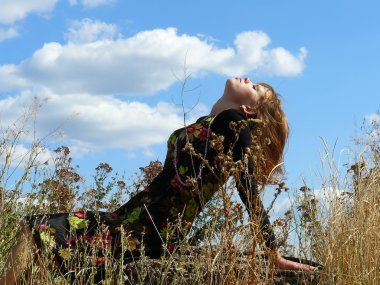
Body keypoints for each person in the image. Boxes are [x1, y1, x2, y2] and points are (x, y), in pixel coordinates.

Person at [0, 77, 316, 284]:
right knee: (44, 253)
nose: (249, 79)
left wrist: (272, 252)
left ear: (248, 108)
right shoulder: (214, 121)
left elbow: (247, 188)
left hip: (151, 228)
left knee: (34, 229)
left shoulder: (233, 124)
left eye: (257, 87)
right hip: (136, 216)